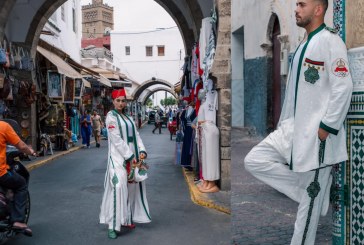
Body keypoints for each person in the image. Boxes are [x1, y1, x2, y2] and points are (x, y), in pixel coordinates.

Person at [244, 1, 353, 244]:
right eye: (295, 4)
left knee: (306, 217)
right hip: (291, 131)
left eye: (302, 4)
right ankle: (310, 193)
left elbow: (342, 86)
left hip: (317, 138)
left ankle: (312, 198)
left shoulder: (330, 41)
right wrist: (285, 125)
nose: (296, 9)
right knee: (254, 160)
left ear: (318, 9)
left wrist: (326, 128)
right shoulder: (303, 43)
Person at [99, 88, 151, 239]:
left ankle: (126, 219)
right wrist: (129, 156)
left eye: (123, 101)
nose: (121, 103)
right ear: (113, 101)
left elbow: (137, 135)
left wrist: (142, 150)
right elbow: (115, 139)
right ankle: (112, 225)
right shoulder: (110, 116)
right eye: (118, 101)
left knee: (131, 188)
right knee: (118, 186)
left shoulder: (128, 118)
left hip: (133, 158)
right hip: (117, 159)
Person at [0, 121, 36, 237]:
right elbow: (21, 146)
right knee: (21, 184)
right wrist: (30, 151)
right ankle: (18, 220)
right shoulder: (3, 126)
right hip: (1, 174)